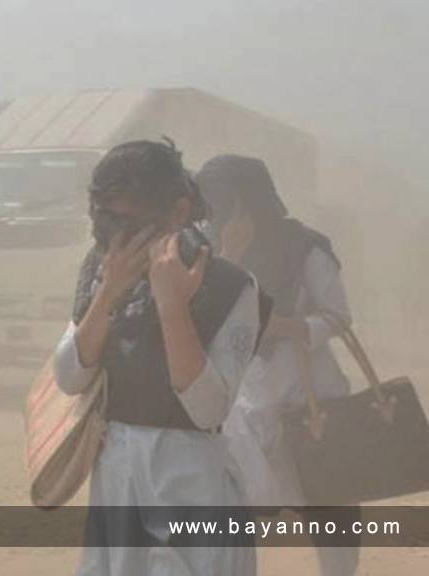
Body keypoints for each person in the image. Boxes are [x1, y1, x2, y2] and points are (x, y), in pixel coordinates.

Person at [53, 140, 263, 575]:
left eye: (129, 221)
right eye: (105, 219)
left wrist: (173, 308)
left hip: (189, 484)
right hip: (118, 479)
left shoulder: (231, 287)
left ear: (178, 211)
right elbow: (70, 375)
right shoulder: (102, 271)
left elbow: (207, 409)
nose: (115, 236)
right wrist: (109, 292)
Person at [196, 154, 360, 576]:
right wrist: (227, 257)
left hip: (310, 401)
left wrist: (286, 326)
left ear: (250, 200)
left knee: (330, 513)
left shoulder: (303, 246)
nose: (216, 213)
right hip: (247, 408)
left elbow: (338, 316)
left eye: (225, 201)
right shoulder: (209, 252)